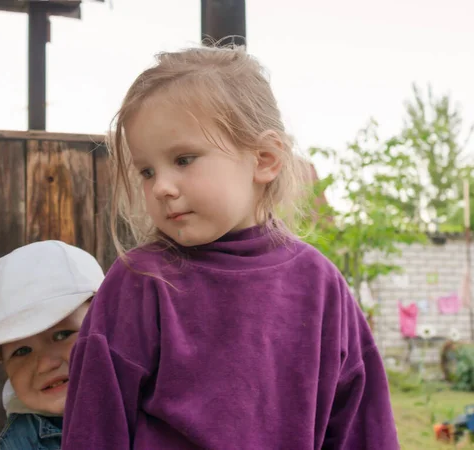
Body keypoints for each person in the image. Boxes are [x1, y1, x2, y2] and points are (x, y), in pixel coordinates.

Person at [62, 45, 399, 450]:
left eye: (184, 159)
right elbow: (94, 428)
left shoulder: (319, 283)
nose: (161, 187)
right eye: (147, 171)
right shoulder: (140, 281)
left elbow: (361, 428)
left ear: (265, 159)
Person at [0, 240, 104, 450]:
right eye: (21, 351)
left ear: (109, 325)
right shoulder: (16, 445)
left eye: (62, 335)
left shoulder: (152, 407)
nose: (45, 364)